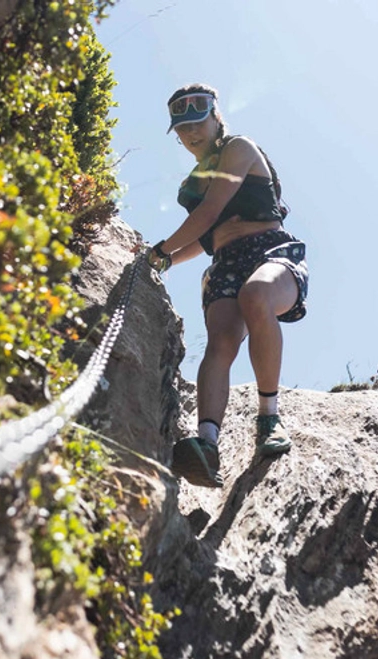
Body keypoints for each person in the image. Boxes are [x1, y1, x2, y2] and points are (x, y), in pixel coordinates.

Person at [146, 83, 309, 489]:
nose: (191, 134)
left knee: (257, 296)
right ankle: (208, 444)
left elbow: (210, 212)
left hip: (271, 251)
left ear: (216, 117)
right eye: (182, 130)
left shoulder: (239, 148)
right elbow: (205, 239)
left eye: (197, 123)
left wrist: (162, 249)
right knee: (220, 343)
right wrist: (166, 260)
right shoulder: (193, 181)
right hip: (225, 262)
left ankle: (269, 418)